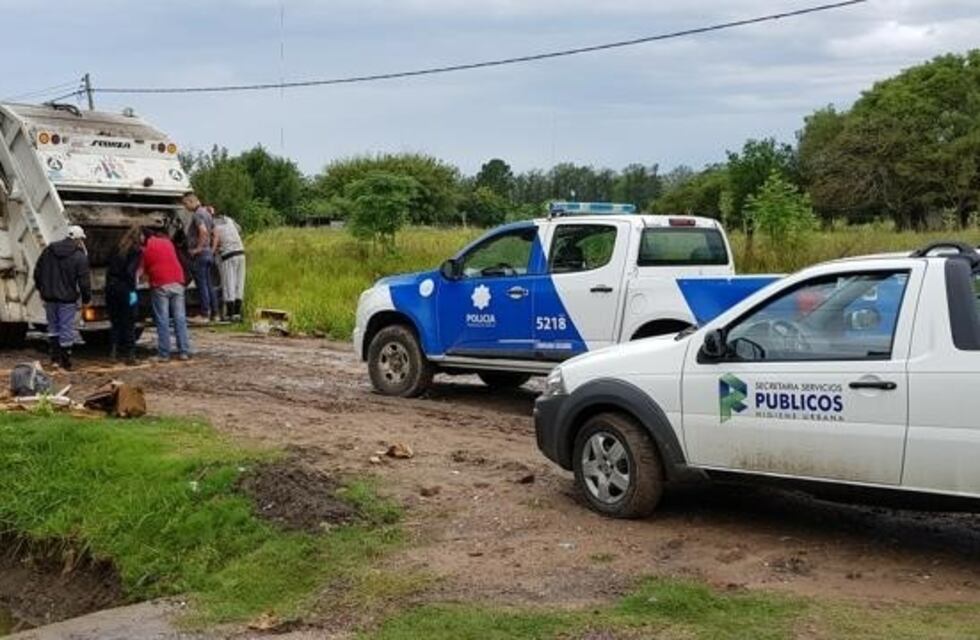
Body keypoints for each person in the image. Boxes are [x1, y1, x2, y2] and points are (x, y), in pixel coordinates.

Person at [34, 225, 91, 370]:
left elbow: (37, 272)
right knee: (66, 328)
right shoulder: (79, 257)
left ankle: (54, 358)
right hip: (67, 299)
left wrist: (42, 290)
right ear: (78, 239)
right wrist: (86, 299)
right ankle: (65, 362)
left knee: (53, 327)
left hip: (49, 297)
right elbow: (84, 282)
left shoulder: (48, 251)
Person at [141, 228, 191, 361]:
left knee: (162, 319)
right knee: (180, 318)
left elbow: (143, 271)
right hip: (178, 281)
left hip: (161, 284)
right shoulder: (167, 242)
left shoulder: (146, 248)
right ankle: (184, 351)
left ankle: (164, 354)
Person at [105, 226, 143, 365]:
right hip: (126, 289)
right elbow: (130, 272)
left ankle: (113, 353)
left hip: (111, 287)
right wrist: (133, 289)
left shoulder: (117, 248)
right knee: (129, 321)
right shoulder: (136, 251)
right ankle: (130, 355)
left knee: (115, 321)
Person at [181, 191, 217, 322]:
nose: (185, 207)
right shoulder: (207, 213)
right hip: (208, 253)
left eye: (186, 204)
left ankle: (204, 314)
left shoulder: (197, 215)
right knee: (209, 284)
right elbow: (215, 232)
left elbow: (203, 231)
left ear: (192, 201)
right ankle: (215, 313)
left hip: (201, 254)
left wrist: (198, 249)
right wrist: (211, 249)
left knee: (201, 285)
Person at [211, 208, 246, 322]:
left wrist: (213, 250)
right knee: (239, 283)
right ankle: (237, 313)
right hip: (241, 252)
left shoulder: (213, 224)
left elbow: (215, 239)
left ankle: (230, 314)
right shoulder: (229, 220)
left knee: (228, 283)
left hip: (228, 254)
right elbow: (239, 230)